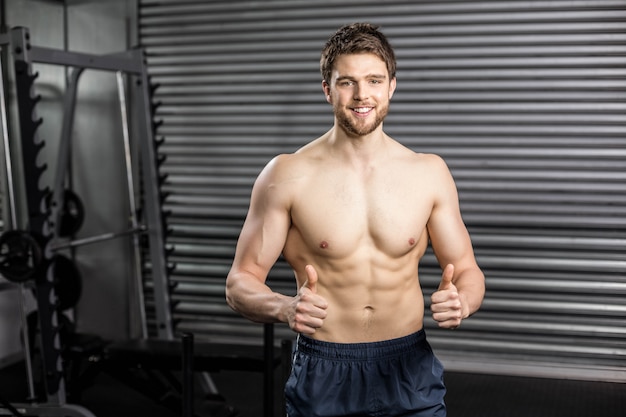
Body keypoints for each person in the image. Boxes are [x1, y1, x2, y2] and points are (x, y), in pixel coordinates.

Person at [225, 22, 485, 417]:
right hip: (324, 367)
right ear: (327, 89)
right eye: (347, 82)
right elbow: (239, 282)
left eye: (374, 80)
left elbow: (468, 270)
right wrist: (284, 308)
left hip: (408, 366)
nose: (362, 95)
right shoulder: (286, 175)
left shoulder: (429, 172)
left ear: (391, 86)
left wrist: (462, 301)